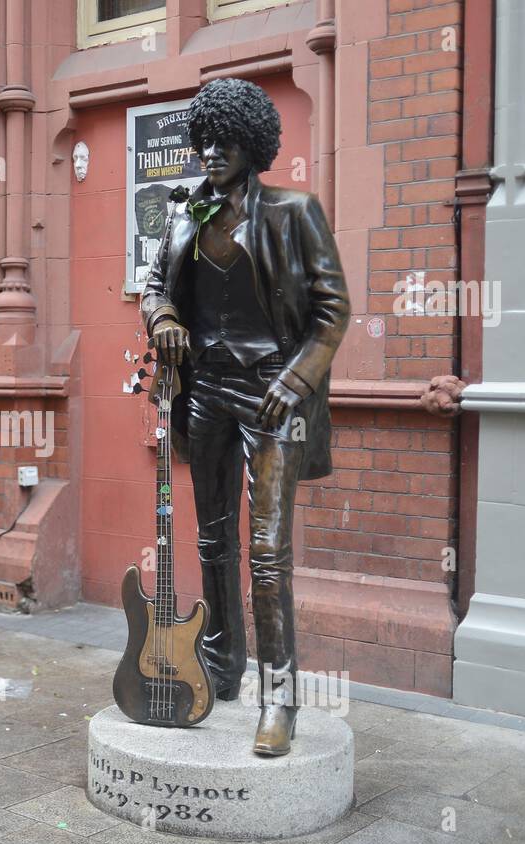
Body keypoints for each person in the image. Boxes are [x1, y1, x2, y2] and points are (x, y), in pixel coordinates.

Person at [140, 78, 350, 756]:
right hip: (208, 393)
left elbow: (332, 310)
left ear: (252, 144)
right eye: (202, 139)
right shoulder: (186, 215)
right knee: (212, 539)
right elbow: (154, 289)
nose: (209, 152)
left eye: (223, 140)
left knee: (267, 552)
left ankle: (279, 697)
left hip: (271, 395)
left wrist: (297, 379)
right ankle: (220, 662)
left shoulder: (294, 212)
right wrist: (165, 316)